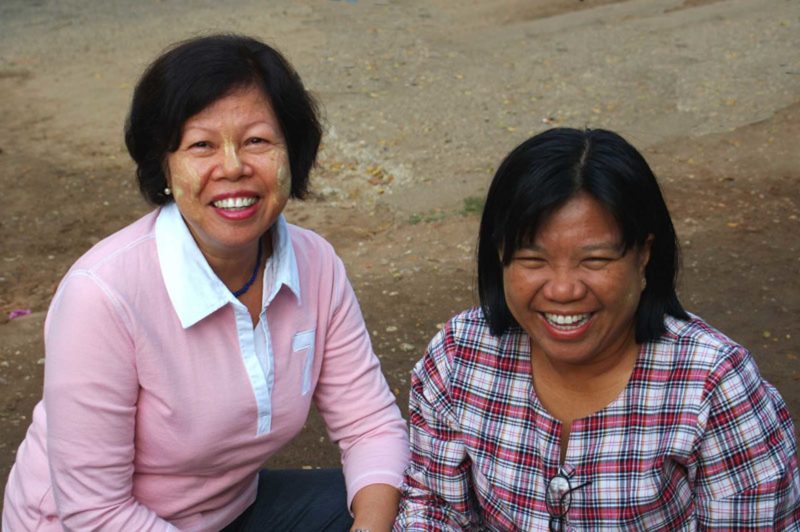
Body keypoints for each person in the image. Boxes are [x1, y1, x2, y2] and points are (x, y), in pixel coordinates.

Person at [3, 34, 409, 531]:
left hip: (229, 514)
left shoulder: (315, 264)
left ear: (293, 154)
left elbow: (370, 425)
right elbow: (95, 511)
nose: (234, 167)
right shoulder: (102, 294)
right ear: (164, 166)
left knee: (409, 508)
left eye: (258, 140)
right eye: (201, 145)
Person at [395, 128, 800, 530]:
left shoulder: (714, 385)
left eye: (595, 260)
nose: (563, 290)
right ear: (500, 254)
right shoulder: (460, 355)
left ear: (644, 256)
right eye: (533, 260)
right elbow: (433, 507)